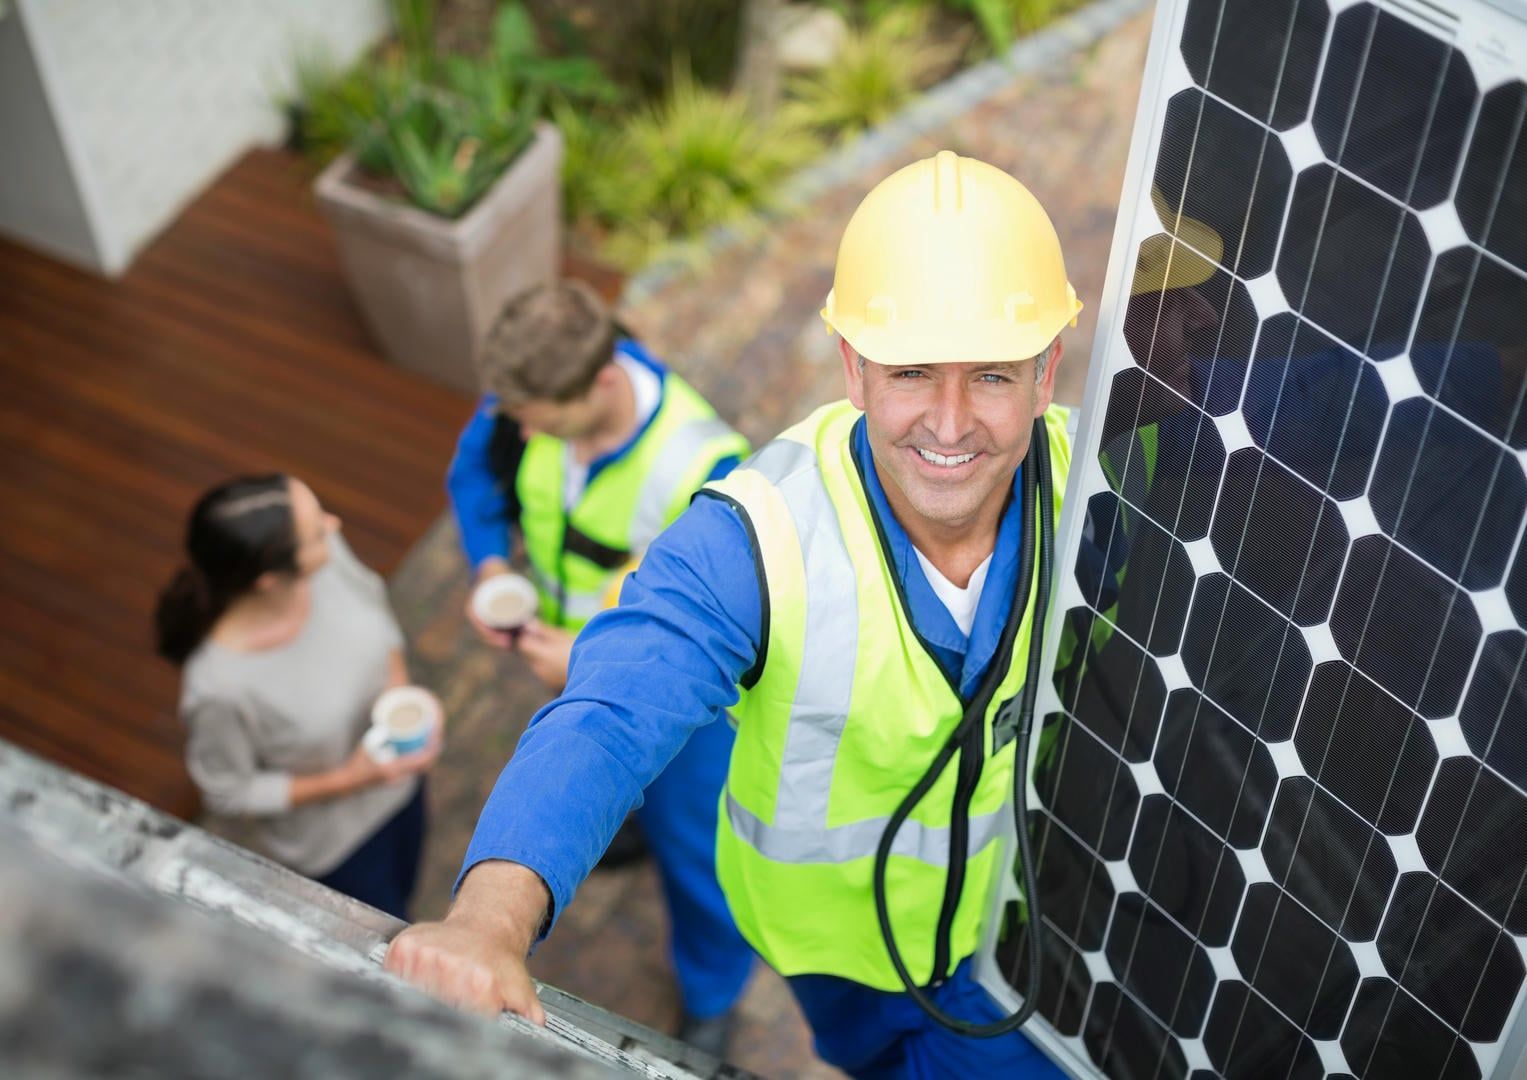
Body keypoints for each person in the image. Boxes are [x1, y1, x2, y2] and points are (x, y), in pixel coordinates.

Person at [390, 151, 1078, 1078]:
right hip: (834, 951)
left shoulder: (1104, 489)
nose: (949, 425)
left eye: (992, 376)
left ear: (1047, 373)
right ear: (853, 369)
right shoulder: (753, 537)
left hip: (1016, 933)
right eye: (911, 372)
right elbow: (609, 715)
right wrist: (486, 921)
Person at [444, 280, 756, 1053]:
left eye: (536, 420)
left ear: (603, 381)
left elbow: (720, 627)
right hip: (571, 660)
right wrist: (488, 566)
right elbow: (476, 474)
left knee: (702, 858)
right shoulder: (531, 396)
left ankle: (713, 994)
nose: (518, 428)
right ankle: (626, 823)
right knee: (608, 786)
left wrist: (585, 661)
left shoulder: (706, 467)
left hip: (686, 715)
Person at [154, 474, 440, 921]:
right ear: (269, 580)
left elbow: (373, 604)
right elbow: (228, 792)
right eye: (316, 532)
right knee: (386, 932)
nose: (335, 523)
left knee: (408, 882)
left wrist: (401, 696)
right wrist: (351, 778)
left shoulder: (325, 560)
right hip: (336, 848)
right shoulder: (219, 687)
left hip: (401, 788)